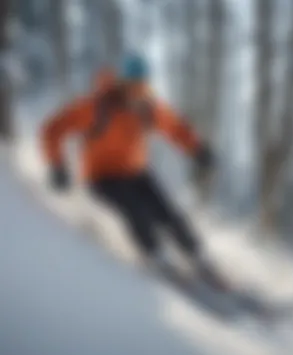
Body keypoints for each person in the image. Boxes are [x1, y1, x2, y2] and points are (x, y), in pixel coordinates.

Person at [41, 54, 227, 289]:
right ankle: (157, 256)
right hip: (101, 177)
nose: (137, 94)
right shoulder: (96, 107)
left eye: (142, 87)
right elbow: (52, 129)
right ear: (122, 84)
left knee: (168, 211)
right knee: (136, 210)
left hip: (136, 173)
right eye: (133, 87)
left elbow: (176, 128)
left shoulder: (147, 108)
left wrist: (198, 150)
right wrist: (56, 165)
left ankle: (198, 256)